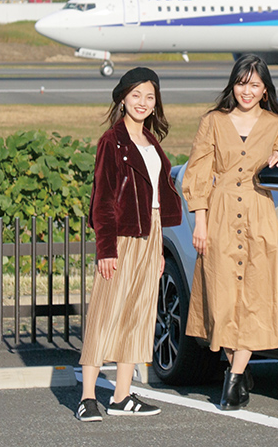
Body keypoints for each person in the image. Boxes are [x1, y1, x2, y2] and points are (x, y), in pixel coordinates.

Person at [183, 54, 278, 410]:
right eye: (242, 84)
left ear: (265, 90)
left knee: (254, 298)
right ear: (233, 85)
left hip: (259, 215)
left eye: (255, 85)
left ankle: (233, 380)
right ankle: (239, 368)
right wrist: (199, 220)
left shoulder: (277, 124)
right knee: (222, 298)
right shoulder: (213, 122)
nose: (248, 91)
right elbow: (198, 172)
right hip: (219, 213)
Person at [76, 67, 182, 422]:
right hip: (121, 235)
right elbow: (102, 199)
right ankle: (88, 396)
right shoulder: (112, 141)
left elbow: (156, 196)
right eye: (136, 95)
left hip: (149, 235)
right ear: (122, 98)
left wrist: (158, 248)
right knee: (106, 313)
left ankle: (121, 395)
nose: (143, 102)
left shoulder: (152, 142)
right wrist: (106, 249)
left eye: (149, 97)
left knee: (138, 314)